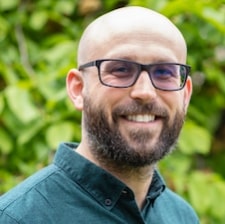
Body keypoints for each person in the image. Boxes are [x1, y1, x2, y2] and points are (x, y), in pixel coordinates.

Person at [0, 6, 199, 223]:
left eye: (164, 72)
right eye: (121, 70)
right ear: (78, 89)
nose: (145, 92)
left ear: (185, 94)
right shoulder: (17, 217)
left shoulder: (182, 216)